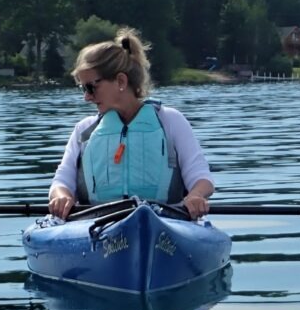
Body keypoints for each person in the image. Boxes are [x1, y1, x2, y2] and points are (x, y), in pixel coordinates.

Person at [48, 28, 214, 220]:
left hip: (164, 224)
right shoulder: (84, 130)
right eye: (82, 89)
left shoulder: (171, 121)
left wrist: (195, 195)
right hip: (97, 225)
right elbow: (61, 181)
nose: (86, 97)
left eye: (91, 87)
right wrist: (62, 196)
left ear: (120, 81)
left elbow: (202, 178)